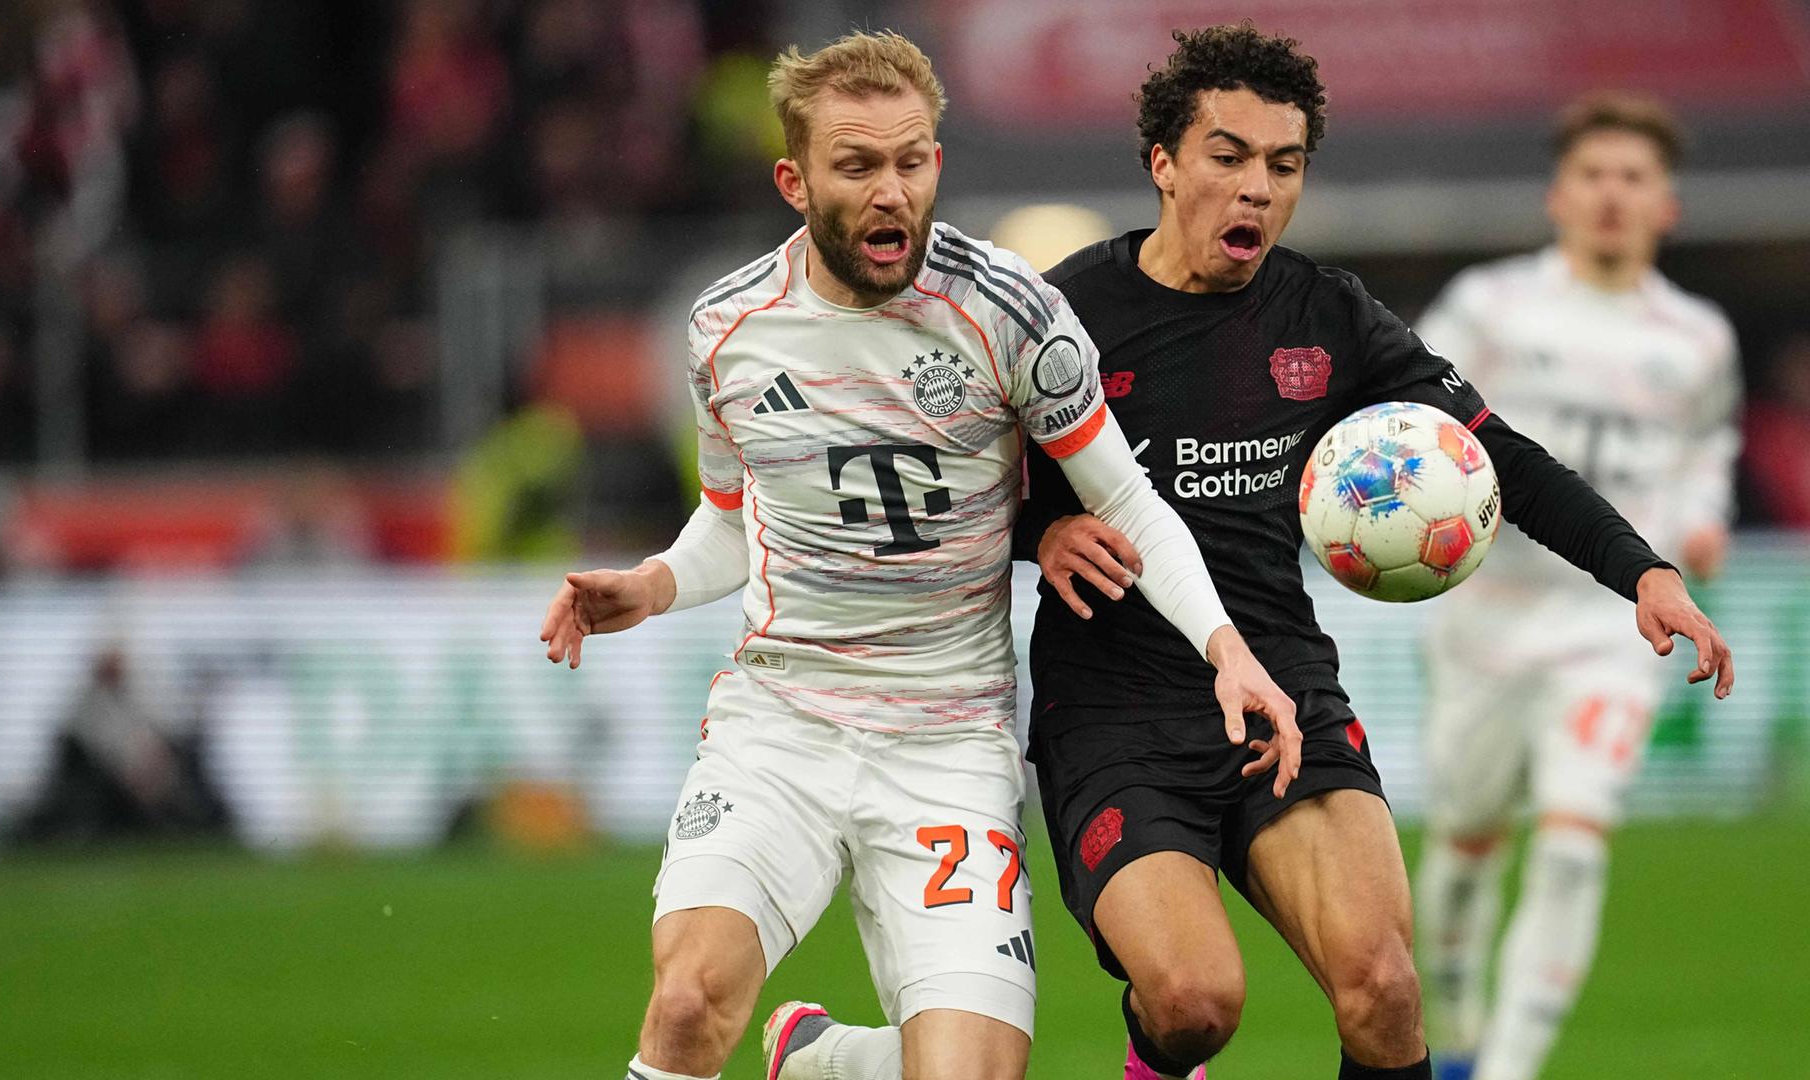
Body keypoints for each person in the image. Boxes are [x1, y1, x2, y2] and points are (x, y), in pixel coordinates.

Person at [536, 31, 1299, 1080]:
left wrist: (1227, 648)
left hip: (947, 742)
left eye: (911, 160)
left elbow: (1127, 498)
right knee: (687, 1002)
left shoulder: (1013, 314)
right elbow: (727, 518)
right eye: (857, 166)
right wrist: (654, 583)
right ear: (794, 181)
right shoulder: (728, 329)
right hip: (785, 722)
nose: (891, 190)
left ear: (937, 161)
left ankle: (828, 1060)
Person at [1011, 24, 1735, 1080]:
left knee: (1388, 991)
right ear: (1162, 164)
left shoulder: (1327, 315)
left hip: (1281, 687)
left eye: (1284, 164)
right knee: (1193, 1003)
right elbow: (968, 494)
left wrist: (1645, 570)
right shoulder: (1067, 314)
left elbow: (1499, 459)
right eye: (1228, 157)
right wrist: (1045, 527)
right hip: (1117, 707)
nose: (1257, 187)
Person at [1410, 93, 1741, 1080]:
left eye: (1634, 178)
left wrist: (1701, 518)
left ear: (1665, 206)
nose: (1612, 194)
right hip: (1484, 620)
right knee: (1464, 854)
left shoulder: (1698, 339)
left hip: (1611, 627)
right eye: (1594, 175)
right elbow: (1407, 410)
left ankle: (1507, 1071)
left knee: (1571, 845)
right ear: (1559, 195)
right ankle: (1459, 1023)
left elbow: (1705, 445)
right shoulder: (1488, 307)